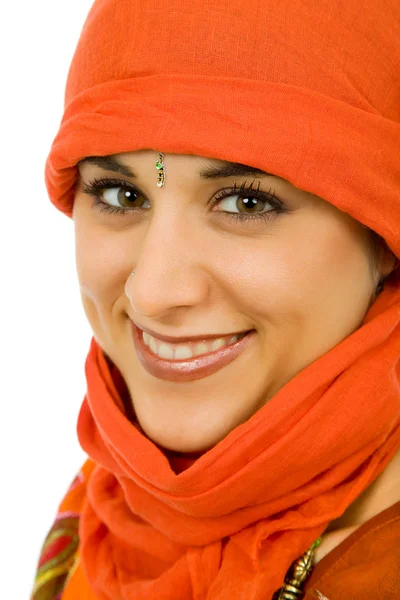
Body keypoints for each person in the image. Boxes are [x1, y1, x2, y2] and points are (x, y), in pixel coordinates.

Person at [30, 0, 400, 598]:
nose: (152, 292)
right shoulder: (105, 500)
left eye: (245, 203)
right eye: (121, 195)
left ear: (384, 233)